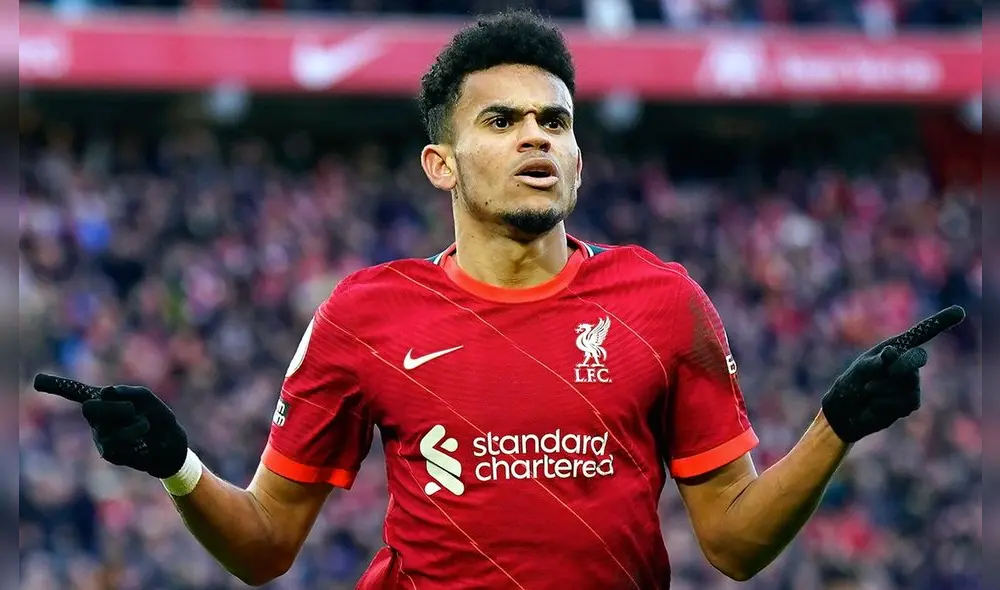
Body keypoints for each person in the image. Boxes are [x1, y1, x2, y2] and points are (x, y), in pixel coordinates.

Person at [34, 10, 966, 590]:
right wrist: (178, 465)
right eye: (504, 121)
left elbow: (733, 542)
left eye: (555, 122)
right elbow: (270, 543)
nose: (538, 139)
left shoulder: (663, 300)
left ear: (579, 155)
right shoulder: (366, 314)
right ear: (441, 162)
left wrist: (836, 425)